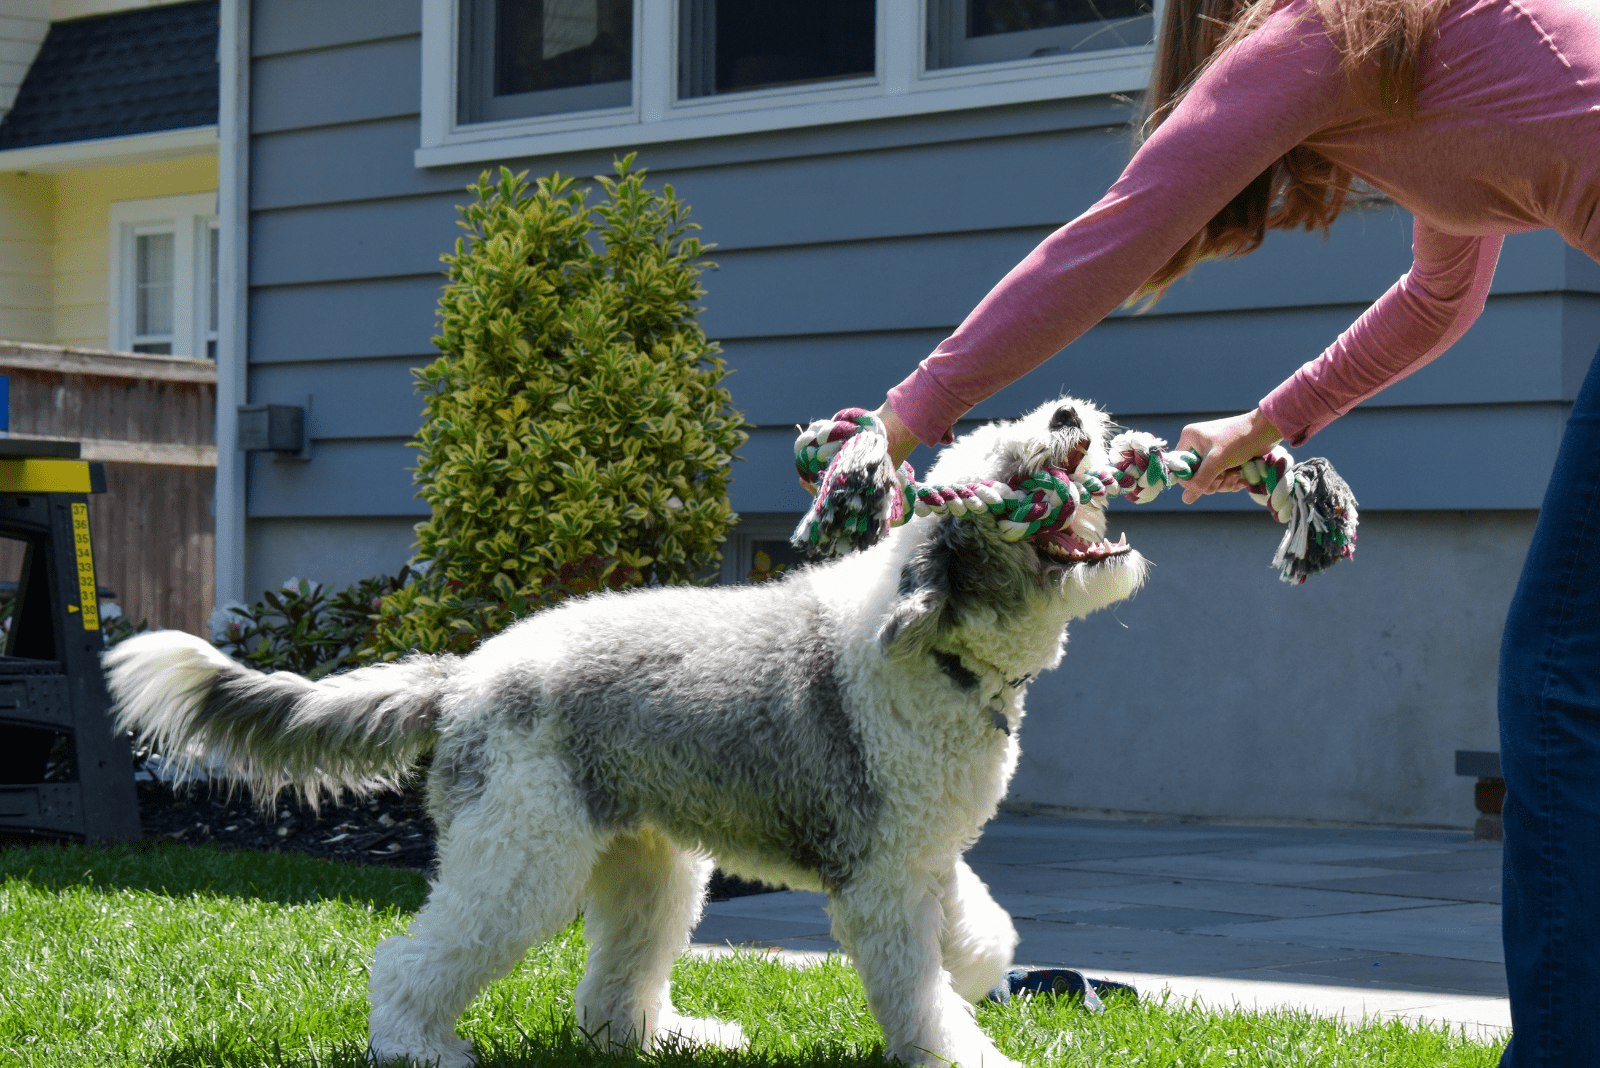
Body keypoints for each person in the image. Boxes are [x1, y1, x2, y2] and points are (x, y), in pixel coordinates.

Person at [861, 0, 1600, 1061]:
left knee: (1563, 677)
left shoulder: (1315, 35)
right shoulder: (1414, 42)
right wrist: (1271, 421)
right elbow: (1441, 296)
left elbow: (1117, 233)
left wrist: (903, 420)